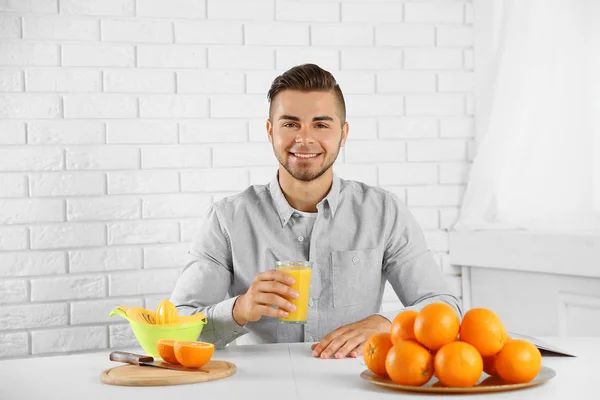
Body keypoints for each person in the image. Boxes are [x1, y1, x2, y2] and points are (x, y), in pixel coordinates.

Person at [170, 63, 461, 359]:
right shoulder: (227, 219)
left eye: (321, 125)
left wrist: (387, 324)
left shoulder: (384, 213)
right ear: (270, 131)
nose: (305, 139)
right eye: (290, 124)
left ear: (343, 134)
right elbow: (177, 326)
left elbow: (444, 307)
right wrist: (239, 309)